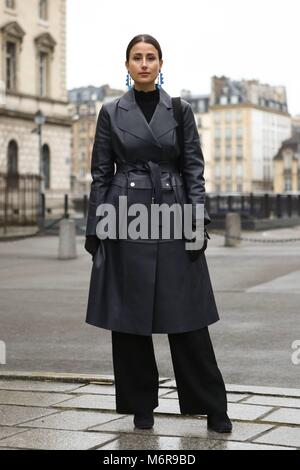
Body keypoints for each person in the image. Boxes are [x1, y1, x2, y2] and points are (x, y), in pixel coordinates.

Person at [84, 34, 232, 434]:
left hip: (173, 211)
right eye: (137, 58)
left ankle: (213, 406)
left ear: (160, 63)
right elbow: (101, 173)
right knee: (129, 319)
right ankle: (141, 406)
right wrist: (95, 227)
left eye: (151, 57)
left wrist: (198, 220)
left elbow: (193, 170)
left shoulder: (180, 109)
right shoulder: (111, 112)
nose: (144, 64)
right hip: (124, 216)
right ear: (127, 65)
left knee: (188, 317)